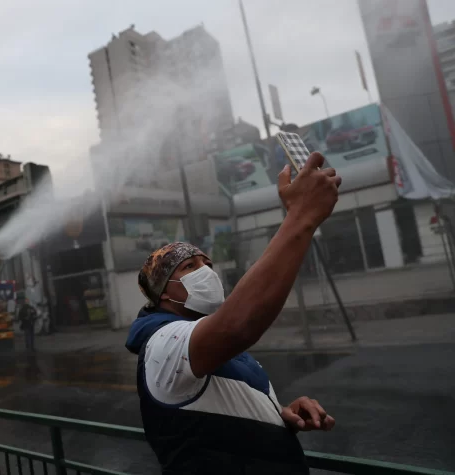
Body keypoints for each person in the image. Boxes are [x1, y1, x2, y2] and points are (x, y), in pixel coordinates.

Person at [125, 153, 340, 474]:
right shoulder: (163, 343)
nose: (206, 271)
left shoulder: (204, 339)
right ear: (164, 292)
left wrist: (279, 415)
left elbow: (217, 419)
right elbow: (238, 326)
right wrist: (302, 215)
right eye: (189, 267)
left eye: (207, 264)